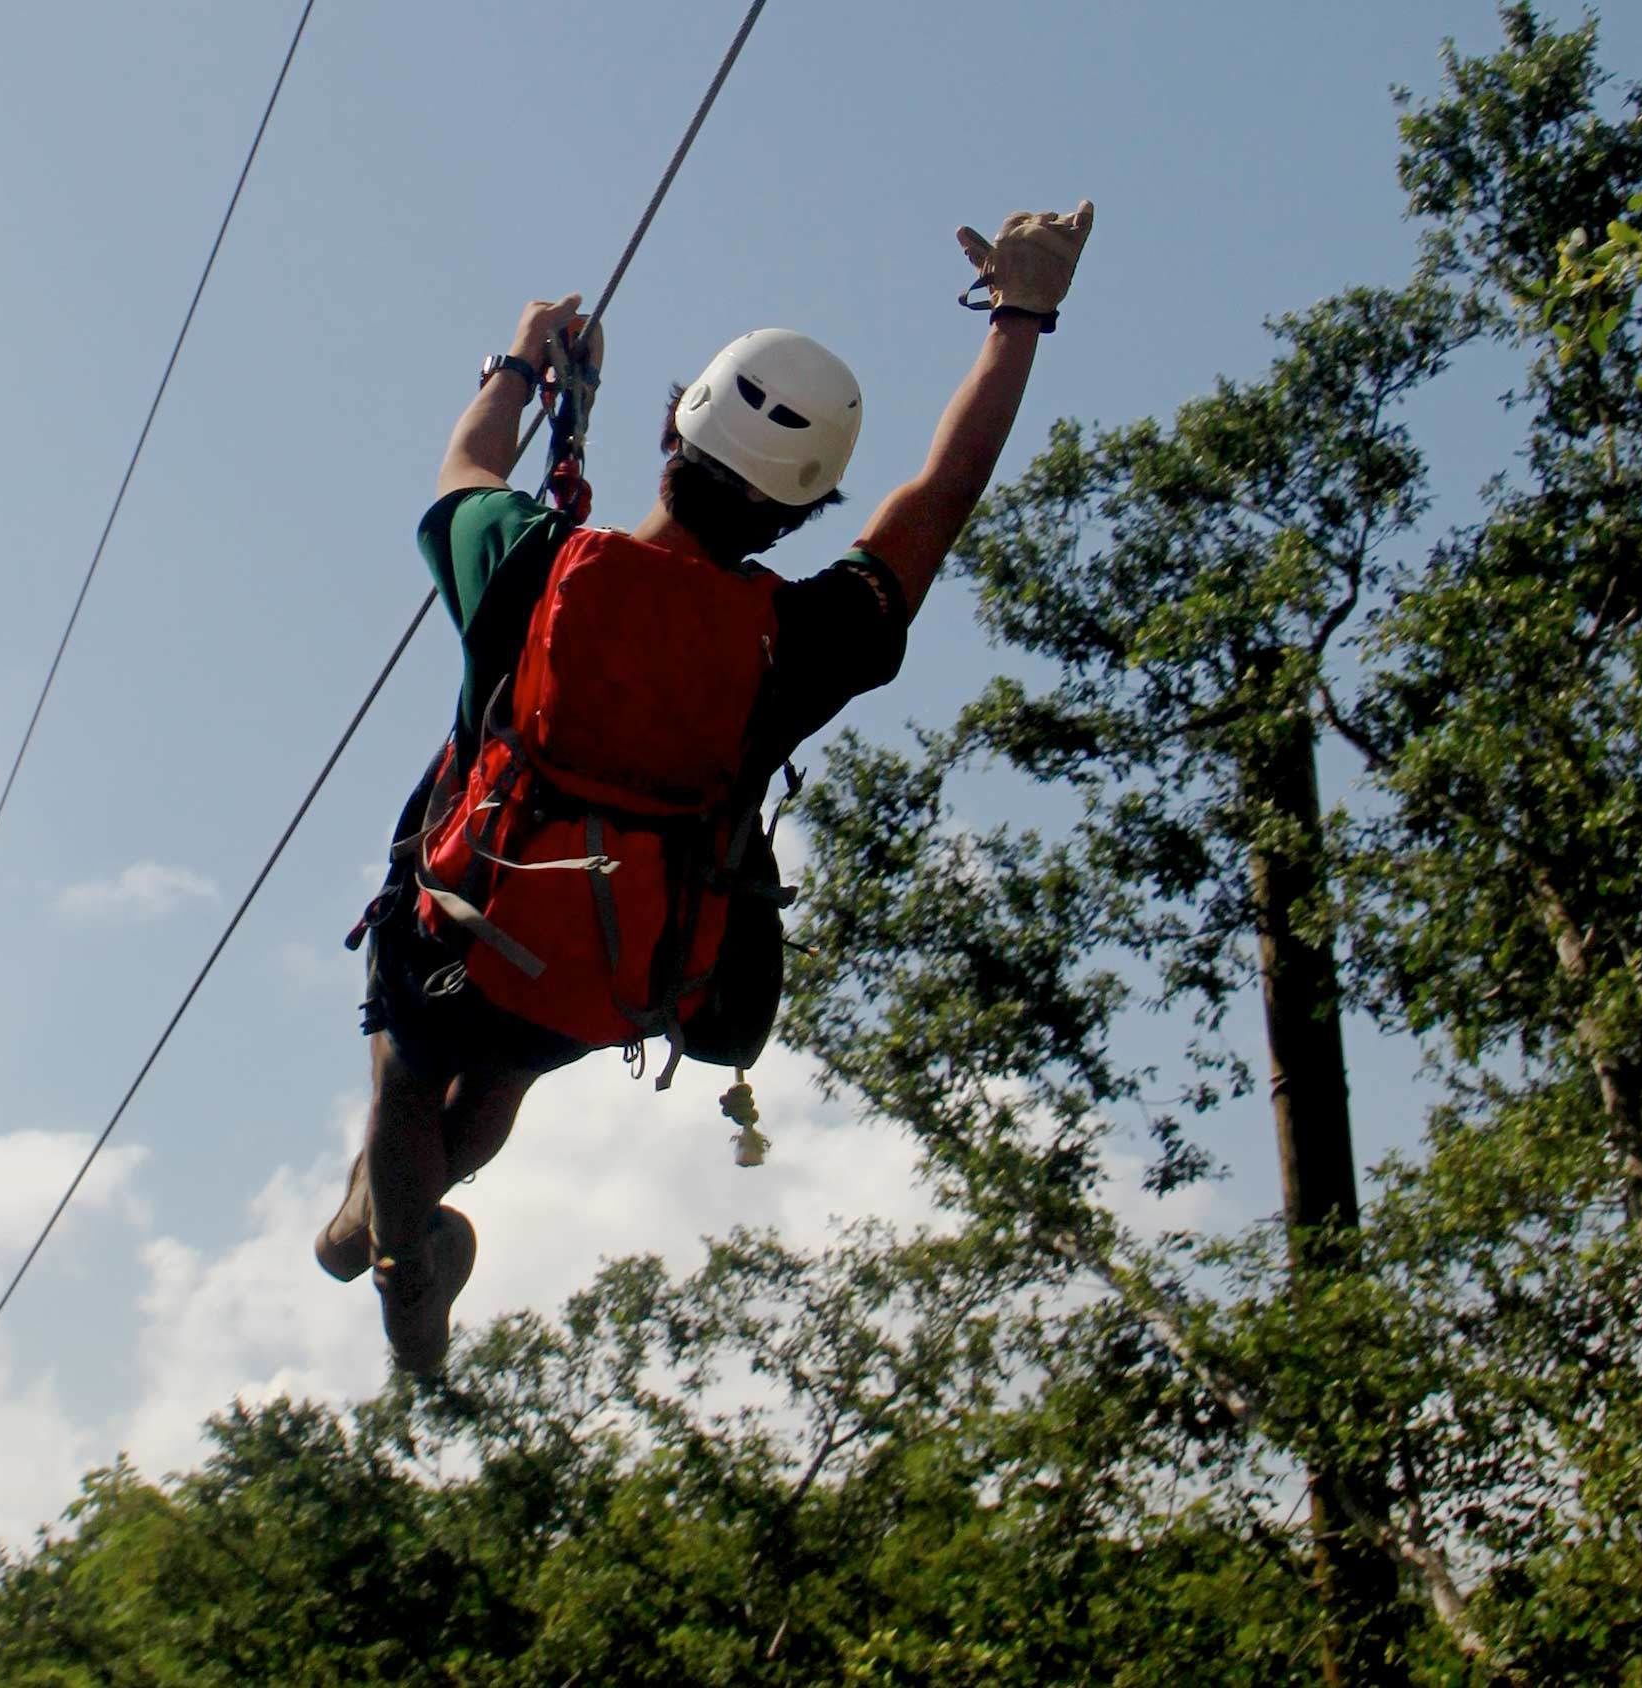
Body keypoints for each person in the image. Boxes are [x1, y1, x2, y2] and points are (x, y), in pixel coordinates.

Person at [323, 202, 1095, 1375]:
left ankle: (396, 1264)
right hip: (621, 957)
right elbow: (939, 500)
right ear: (801, 510)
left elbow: (465, 467)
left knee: (411, 1066)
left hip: (469, 904)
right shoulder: (797, 637)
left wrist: (524, 363)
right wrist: (1021, 318)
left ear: (673, 436)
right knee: (511, 1067)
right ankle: (368, 1230)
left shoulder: (533, 559)